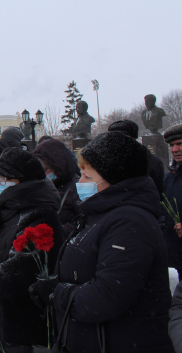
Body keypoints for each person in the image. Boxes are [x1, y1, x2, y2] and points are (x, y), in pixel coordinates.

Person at [31, 132, 174, 353]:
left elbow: (105, 299)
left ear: (115, 178)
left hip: (119, 342)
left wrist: (56, 292)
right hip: (94, 340)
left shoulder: (130, 222)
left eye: (88, 177)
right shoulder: (98, 214)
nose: (80, 182)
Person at [0, 147, 63, 353]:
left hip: (14, 323)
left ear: (24, 182)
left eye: (5, 178)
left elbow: (22, 269)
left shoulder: (40, 213)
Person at [33, 138, 81, 236]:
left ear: (58, 167)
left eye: (45, 170)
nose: (41, 175)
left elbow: (83, 221)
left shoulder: (77, 188)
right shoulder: (41, 186)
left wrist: (55, 233)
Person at [109, 119, 166, 194]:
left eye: (122, 138)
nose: (117, 142)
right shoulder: (106, 162)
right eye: (113, 139)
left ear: (134, 139)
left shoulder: (152, 162)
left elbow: (159, 194)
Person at [163, 124, 182, 279]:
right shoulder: (170, 176)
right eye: (172, 145)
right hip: (175, 252)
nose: (175, 149)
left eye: (180, 144)